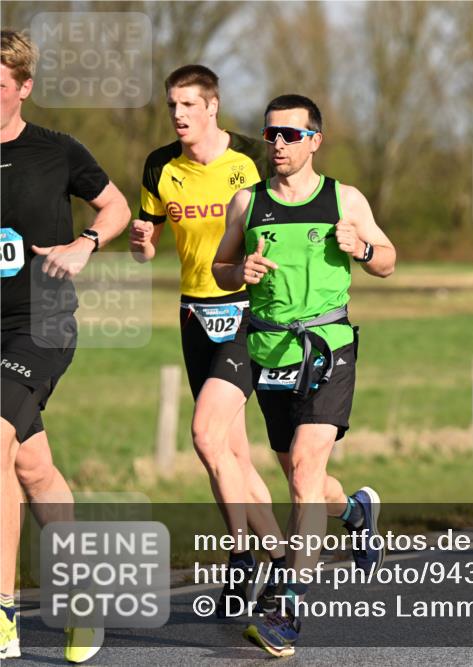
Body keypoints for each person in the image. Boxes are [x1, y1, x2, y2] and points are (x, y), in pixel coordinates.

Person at [212, 94, 396, 657]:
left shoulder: (344, 197)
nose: (279, 145)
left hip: (329, 346)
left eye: (291, 135)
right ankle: (356, 510)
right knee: (301, 476)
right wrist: (238, 270)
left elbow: (389, 259)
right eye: (271, 135)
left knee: (305, 472)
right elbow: (221, 272)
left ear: (315, 140)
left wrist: (362, 246)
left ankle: (287, 603)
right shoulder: (248, 202)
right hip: (268, 349)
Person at [128, 64, 286, 614]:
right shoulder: (159, 166)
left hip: (248, 313)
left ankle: (248, 558)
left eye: (188, 105)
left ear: (212, 106)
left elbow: (290, 218)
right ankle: (281, 557)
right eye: (172, 105)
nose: (178, 115)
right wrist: (142, 242)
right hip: (195, 313)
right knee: (231, 452)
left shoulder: (251, 158)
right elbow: (146, 246)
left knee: (203, 435)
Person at [1, 28, 130, 662]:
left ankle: (2, 616)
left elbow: (116, 207)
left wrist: (87, 244)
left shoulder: (56, 151)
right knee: (32, 468)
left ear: (23, 88)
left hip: (42, 320)